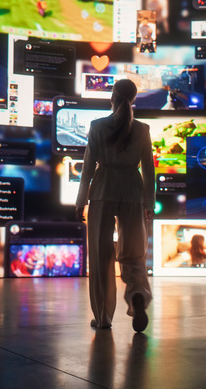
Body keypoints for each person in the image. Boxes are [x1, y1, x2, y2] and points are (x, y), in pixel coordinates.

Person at [76, 79, 154, 332]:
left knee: (100, 257)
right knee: (133, 255)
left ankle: (102, 318)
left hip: (102, 191)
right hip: (132, 192)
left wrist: (80, 201)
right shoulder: (142, 129)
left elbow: (88, 167)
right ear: (133, 99)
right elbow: (149, 171)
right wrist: (149, 203)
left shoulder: (97, 126)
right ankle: (137, 295)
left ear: (112, 96)